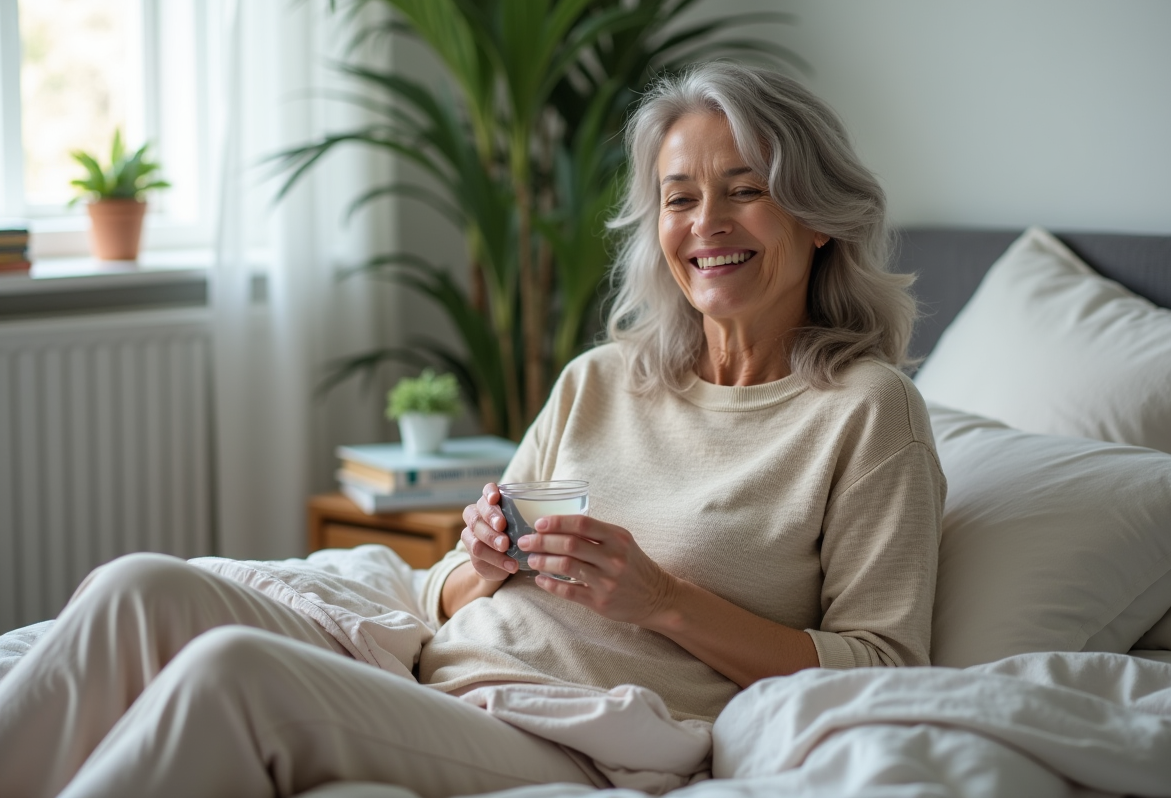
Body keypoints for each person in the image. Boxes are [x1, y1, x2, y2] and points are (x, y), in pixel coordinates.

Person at [0, 61, 944, 798]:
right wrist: (479, 564)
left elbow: (884, 663)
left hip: (567, 732)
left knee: (234, 673)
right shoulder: (601, 379)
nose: (707, 224)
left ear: (818, 216)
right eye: (679, 196)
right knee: (136, 589)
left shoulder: (865, 412)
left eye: (744, 188)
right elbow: (449, 590)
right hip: (431, 666)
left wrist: (660, 600)